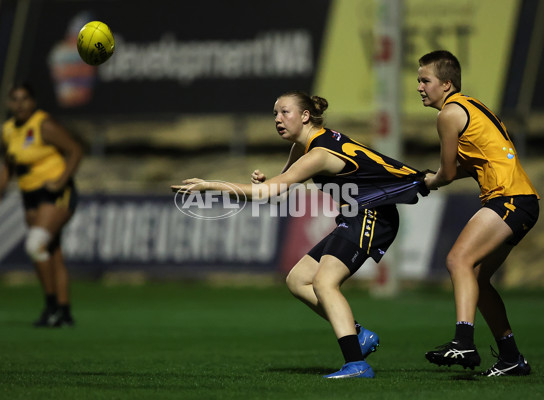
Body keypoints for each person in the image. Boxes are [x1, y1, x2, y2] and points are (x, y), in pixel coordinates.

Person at [172, 91, 429, 379]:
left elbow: (267, 193)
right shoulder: (306, 146)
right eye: (274, 114)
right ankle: (358, 335)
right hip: (355, 215)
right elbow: (275, 189)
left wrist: (210, 186)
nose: (278, 120)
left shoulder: (318, 154)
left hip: (372, 214)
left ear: (305, 116)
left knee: (324, 282)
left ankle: (357, 364)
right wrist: (267, 183)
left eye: (285, 112)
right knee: (298, 280)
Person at [417, 50, 539, 376]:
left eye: (424, 80)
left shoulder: (448, 115)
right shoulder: (470, 106)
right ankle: (511, 357)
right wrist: (429, 178)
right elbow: (469, 168)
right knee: (479, 278)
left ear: (446, 83)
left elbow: (445, 172)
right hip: (522, 200)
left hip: (508, 199)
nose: (419, 87)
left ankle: (463, 342)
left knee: (458, 260)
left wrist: (425, 180)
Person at [0, 83, 83, 327]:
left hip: (55, 193)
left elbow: (75, 150)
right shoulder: (8, 130)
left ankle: (51, 307)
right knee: (52, 252)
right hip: (30, 196)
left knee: (35, 244)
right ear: (9, 104)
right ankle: (64, 312)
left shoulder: (43, 124)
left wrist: (61, 181)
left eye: (24, 99)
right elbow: (8, 164)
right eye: (15, 100)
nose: (19, 104)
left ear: (33, 102)